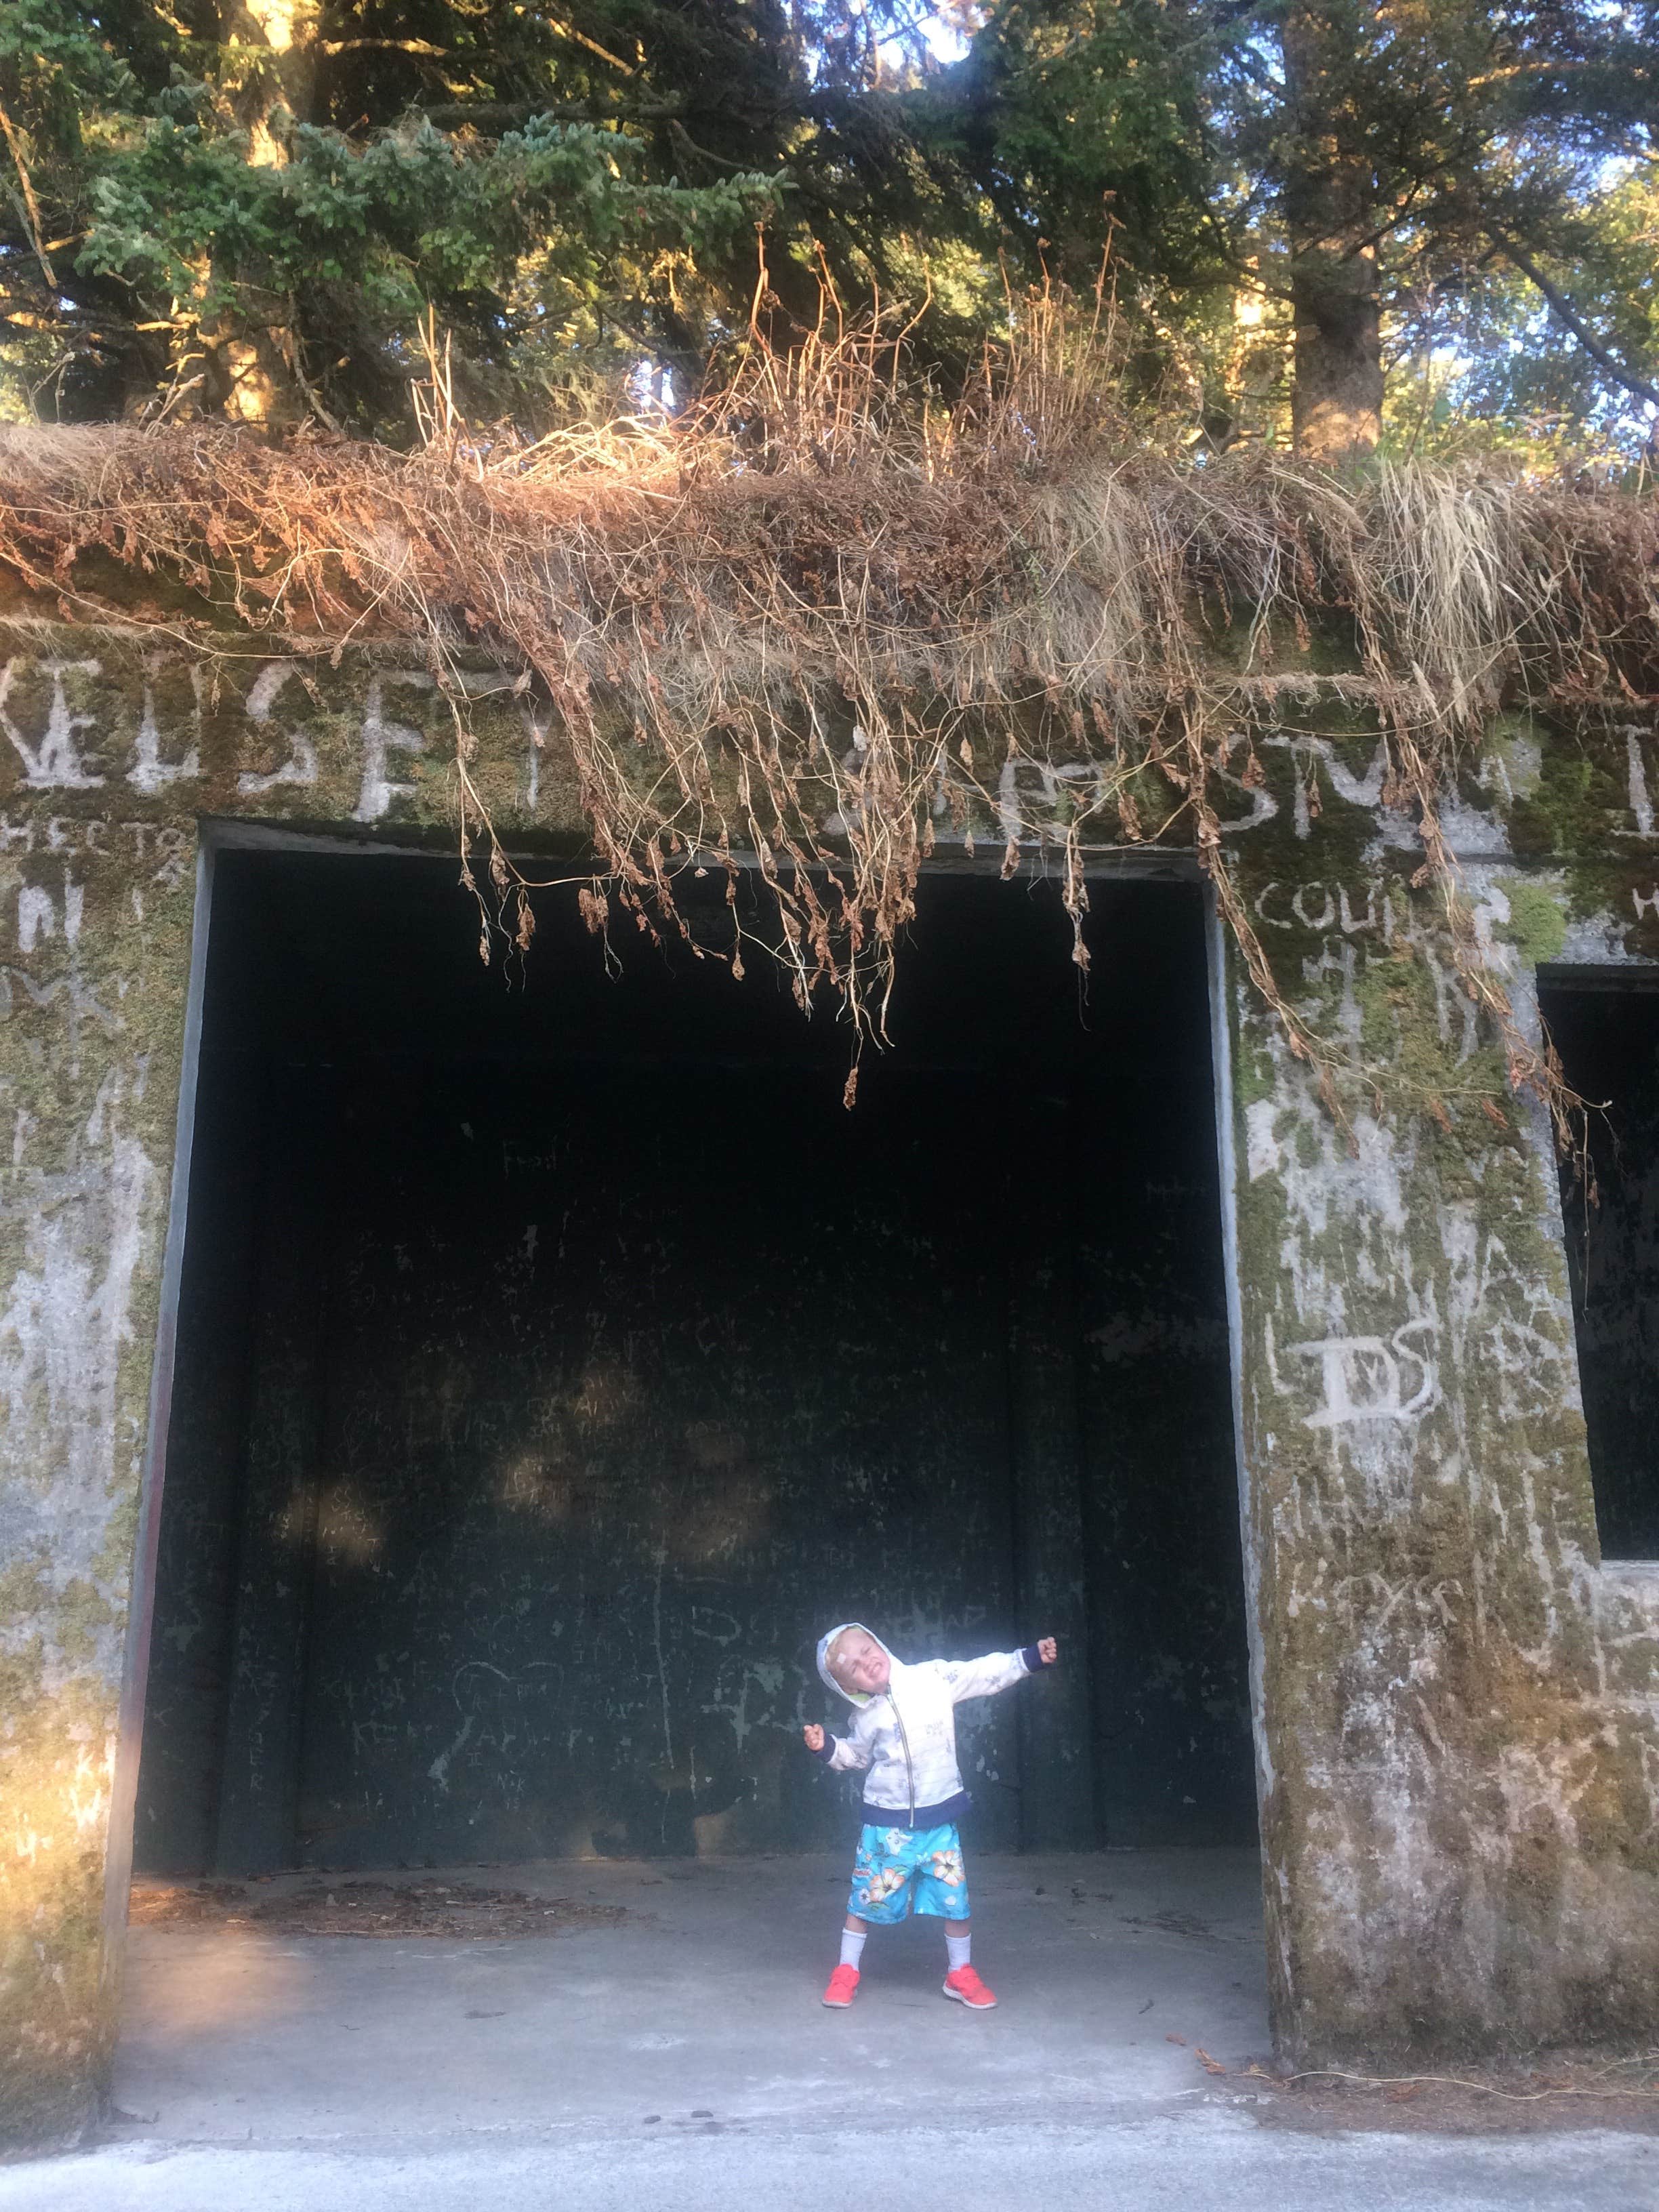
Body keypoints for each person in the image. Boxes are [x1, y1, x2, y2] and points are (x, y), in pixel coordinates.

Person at [802, 1622, 1058, 2011]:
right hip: (886, 1829)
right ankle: (846, 1970)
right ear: (849, 1688)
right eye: (853, 1667)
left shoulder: (932, 1679)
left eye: (867, 1651)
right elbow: (855, 1757)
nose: (867, 1663)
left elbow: (980, 1673)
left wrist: (1028, 1660)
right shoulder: (865, 1718)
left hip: (939, 1825)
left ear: (880, 1644)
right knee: (865, 1901)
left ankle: (960, 1973)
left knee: (955, 1904)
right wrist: (827, 1748)